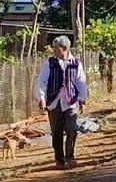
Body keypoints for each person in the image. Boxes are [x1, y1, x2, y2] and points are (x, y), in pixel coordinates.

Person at [36, 35, 88, 169]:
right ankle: (59, 159)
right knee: (56, 131)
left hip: (70, 101)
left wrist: (82, 99)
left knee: (72, 128)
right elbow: (42, 81)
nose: (53, 50)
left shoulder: (76, 63)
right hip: (54, 102)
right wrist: (41, 98)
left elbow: (81, 82)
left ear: (64, 48)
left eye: (55, 48)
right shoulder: (50, 62)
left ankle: (69, 156)